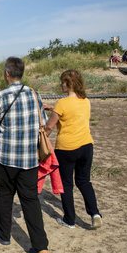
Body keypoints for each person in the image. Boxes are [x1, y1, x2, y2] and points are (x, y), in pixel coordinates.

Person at [0, 57, 50, 253]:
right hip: (29, 157)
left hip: (5, 156)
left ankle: (4, 235)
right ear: (21, 73)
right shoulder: (34, 93)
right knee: (30, 200)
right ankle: (41, 247)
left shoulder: (0, 96)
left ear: (7, 74)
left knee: (4, 194)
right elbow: (43, 122)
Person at [43, 70, 102, 230]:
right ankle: (95, 214)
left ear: (69, 84)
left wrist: (40, 137)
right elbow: (72, 111)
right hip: (86, 146)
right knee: (84, 181)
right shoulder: (86, 101)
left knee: (66, 184)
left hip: (67, 149)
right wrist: (52, 108)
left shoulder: (62, 103)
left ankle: (69, 219)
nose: (61, 84)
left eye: (63, 82)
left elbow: (49, 126)